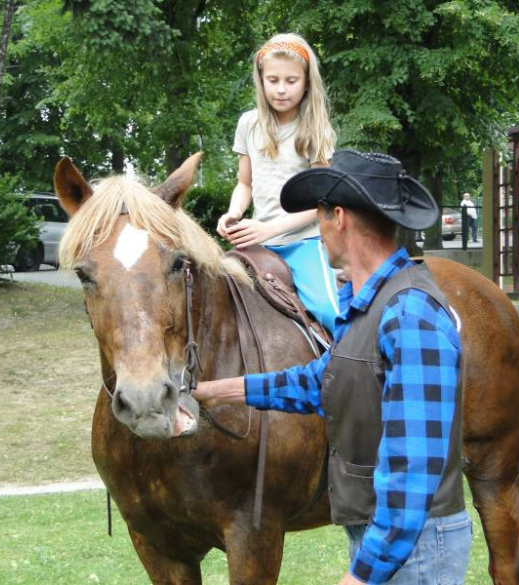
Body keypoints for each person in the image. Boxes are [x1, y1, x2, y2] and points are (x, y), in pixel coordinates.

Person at [196, 151, 470, 584]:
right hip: (384, 536)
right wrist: (216, 391)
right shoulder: (367, 305)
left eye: (318, 216)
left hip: (414, 547)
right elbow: (320, 381)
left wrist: (360, 576)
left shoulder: (410, 313)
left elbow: (413, 472)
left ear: (337, 217)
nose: (317, 231)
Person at [216, 32, 339, 333]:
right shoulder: (248, 123)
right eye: (273, 80)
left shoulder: (315, 130)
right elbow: (245, 184)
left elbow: (324, 202)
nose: (281, 89)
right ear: (261, 80)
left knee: (329, 311)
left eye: (291, 81)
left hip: (304, 243)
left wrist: (271, 228)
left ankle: (354, 373)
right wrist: (233, 212)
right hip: (256, 243)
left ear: (307, 81)